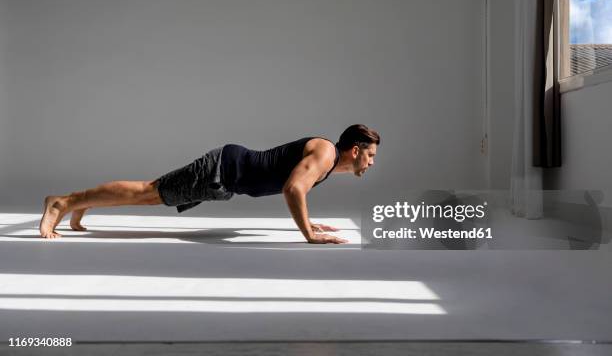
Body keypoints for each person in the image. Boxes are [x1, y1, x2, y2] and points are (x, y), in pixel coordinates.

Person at [38, 124, 380, 244]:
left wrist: (309, 220)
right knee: (149, 193)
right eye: (371, 156)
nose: (372, 163)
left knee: (151, 196)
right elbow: (293, 188)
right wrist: (308, 233)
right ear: (355, 150)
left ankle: (77, 204)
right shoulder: (324, 152)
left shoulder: (329, 160)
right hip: (223, 168)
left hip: (224, 179)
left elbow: (296, 186)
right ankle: (63, 202)